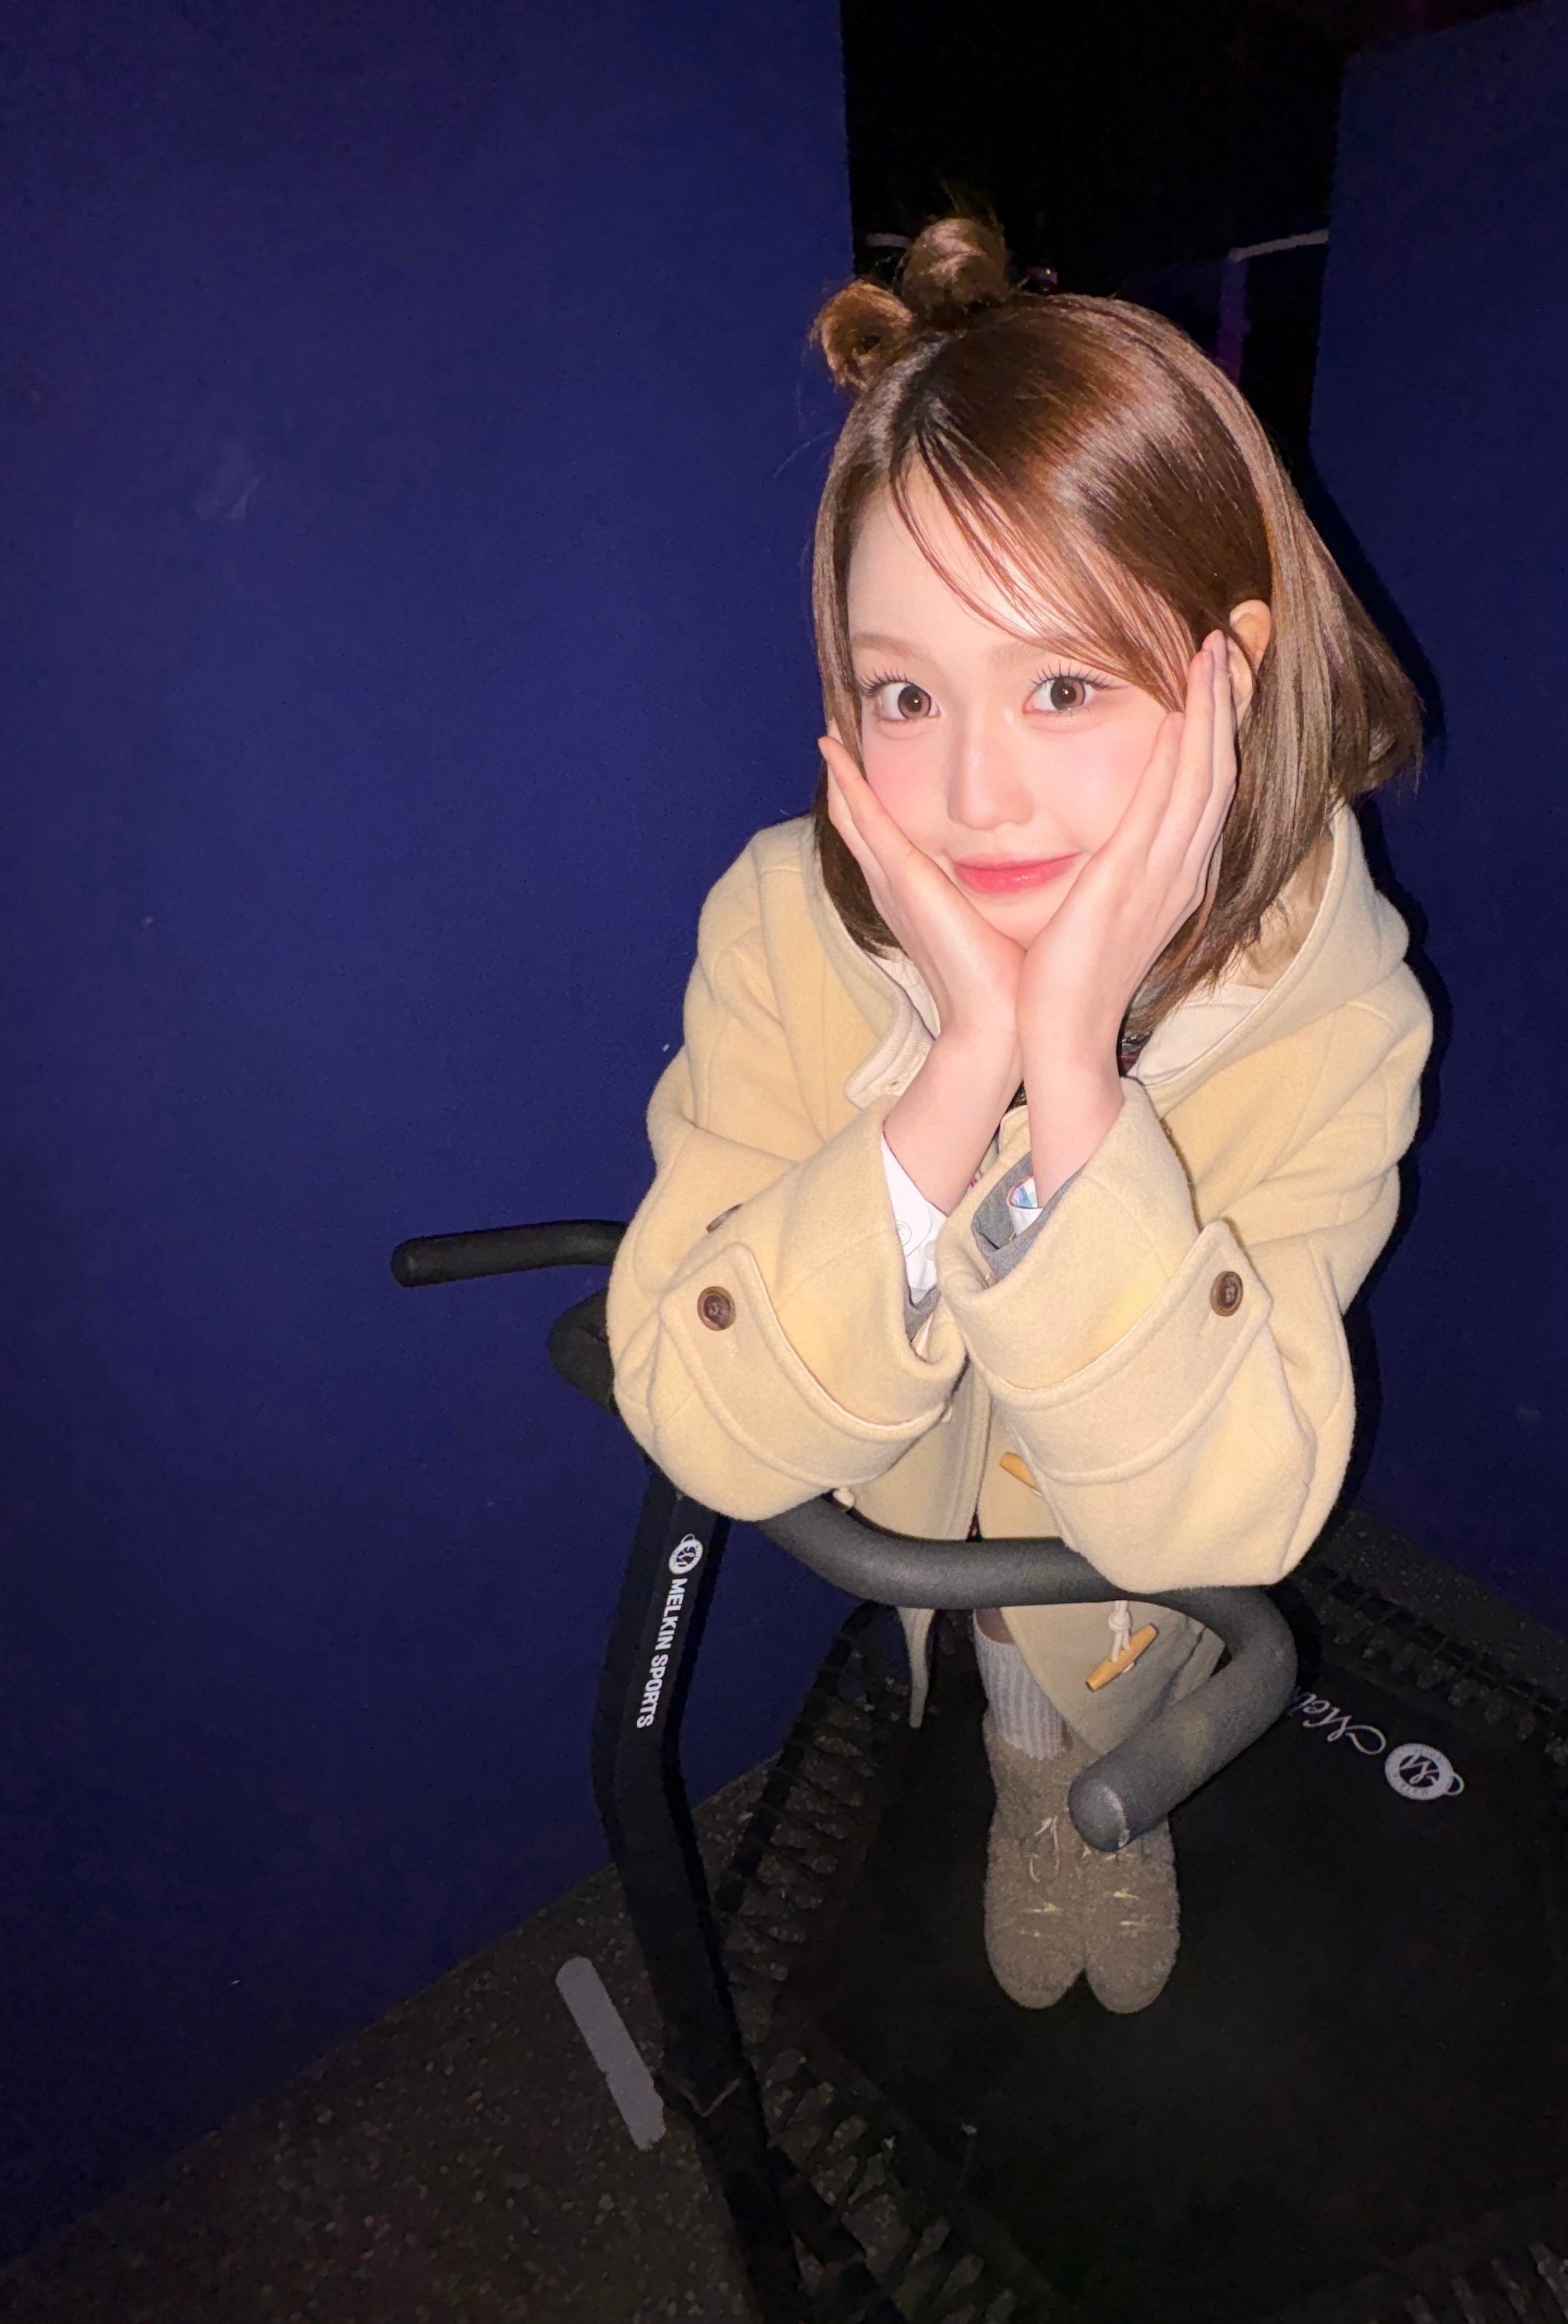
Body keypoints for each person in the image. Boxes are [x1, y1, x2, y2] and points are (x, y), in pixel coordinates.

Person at [607, 216, 1429, 2016]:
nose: (976, 794)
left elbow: (1227, 1510)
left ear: (1229, 672)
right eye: (906, 694)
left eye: (1061, 684)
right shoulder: (775, 928)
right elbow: (706, 1424)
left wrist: (1073, 1072)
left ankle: (1076, 1798)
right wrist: (960, 1064)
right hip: (937, 1527)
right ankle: (1019, 1767)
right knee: (1000, 1639)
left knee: (1109, 1656)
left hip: (1135, 1587)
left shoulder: (1332, 997)